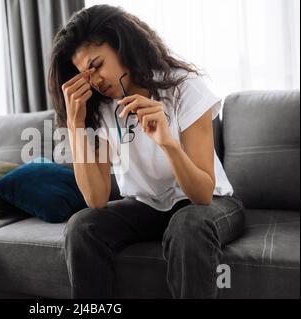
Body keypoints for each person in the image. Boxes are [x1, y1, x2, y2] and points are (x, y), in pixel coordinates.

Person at [47, 4, 245, 299]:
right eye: (84, 74)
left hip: (209, 204)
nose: (95, 80)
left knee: (188, 223)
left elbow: (202, 194)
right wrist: (75, 124)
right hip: (147, 207)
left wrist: (167, 142)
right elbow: (96, 199)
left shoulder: (183, 87)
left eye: (97, 65)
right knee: (82, 226)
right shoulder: (100, 108)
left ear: (122, 45)